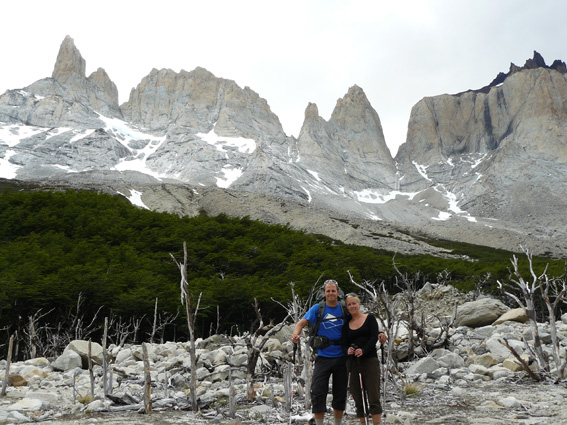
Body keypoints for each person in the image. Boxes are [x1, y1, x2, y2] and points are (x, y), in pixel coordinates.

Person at [289, 279, 349, 425]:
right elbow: (301, 323)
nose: (331, 293)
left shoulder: (344, 307)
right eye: (328, 291)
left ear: (338, 292)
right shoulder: (318, 308)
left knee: (340, 393)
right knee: (317, 392)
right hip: (323, 356)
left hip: (342, 357)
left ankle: (337, 423)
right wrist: (295, 334)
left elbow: (361, 320)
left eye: (333, 291)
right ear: (324, 292)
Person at [343, 293, 388, 424]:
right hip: (352, 362)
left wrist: (363, 350)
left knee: (373, 394)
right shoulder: (346, 324)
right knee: (358, 396)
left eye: (354, 303)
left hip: (370, 360)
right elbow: (343, 343)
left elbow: (374, 337)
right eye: (349, 304)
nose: (352, 306)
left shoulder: (370, 318)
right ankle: (363, 422)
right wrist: (347, 350)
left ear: (359, 304)